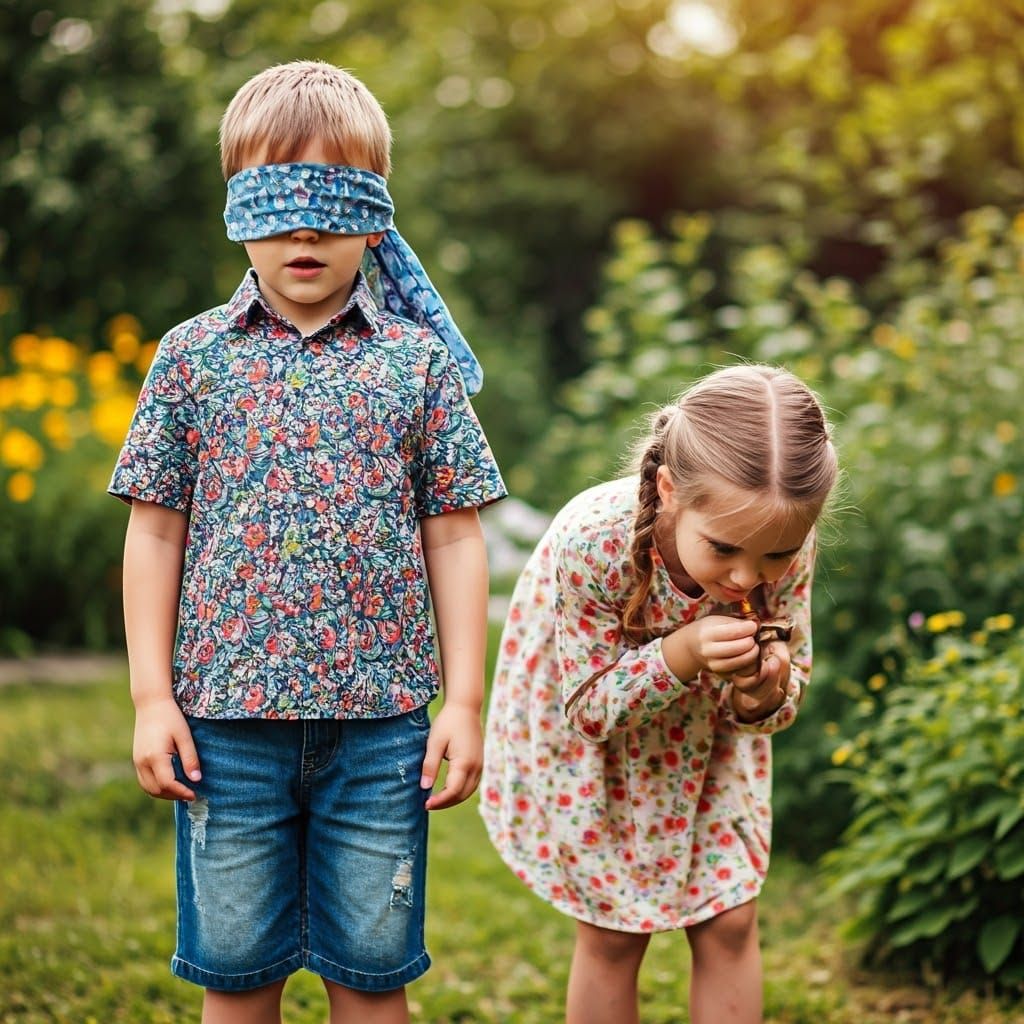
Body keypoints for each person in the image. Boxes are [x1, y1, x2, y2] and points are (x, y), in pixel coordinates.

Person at [109, 60, 506, 1024]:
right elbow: (154, 530)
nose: (305, 226)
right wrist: (152, 696)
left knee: (372, 981)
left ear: (377, 215)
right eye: (276, 198)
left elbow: (455, 538)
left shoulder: (416, 365)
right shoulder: (191, 358)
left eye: (335, 200)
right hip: (224, 733)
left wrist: (463, 698)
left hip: (381, 736)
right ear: (236, 209)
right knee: (236, 981)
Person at [481, 364, 838, 1024]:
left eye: (774, 557)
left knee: (731, 920)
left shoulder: (783, 540)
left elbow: (780, 703)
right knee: (616, 934)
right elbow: (587, 709)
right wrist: (682, 653)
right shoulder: (597, 543)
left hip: (710, 751)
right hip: (600, 754)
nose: (746, 576)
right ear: (671, 490)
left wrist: (766, 683)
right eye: (725, 548)